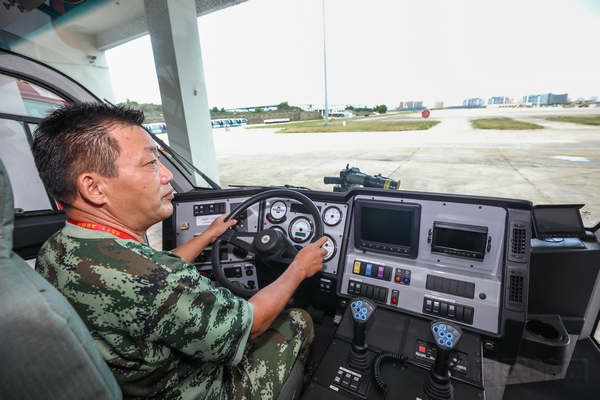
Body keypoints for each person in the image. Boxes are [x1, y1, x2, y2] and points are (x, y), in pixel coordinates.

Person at [31, 102, 328, 399]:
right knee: (299, 319)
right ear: (94, 188)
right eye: (150, 164)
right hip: (205, 390)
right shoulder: (155, 279)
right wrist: (299, 267)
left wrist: (209, 235)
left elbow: (152, 269)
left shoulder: (56, 249)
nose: (167, 175)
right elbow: (252, 323)